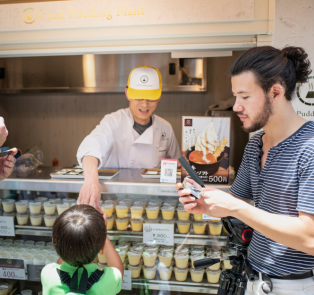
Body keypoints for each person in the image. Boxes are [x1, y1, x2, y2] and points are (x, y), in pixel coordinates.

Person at [177, 46, 314, 295]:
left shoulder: (309, 148)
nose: (236, 106)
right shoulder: (256, 144)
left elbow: (310, 238)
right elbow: (238, 201)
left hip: (297, 285)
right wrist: (207, 204)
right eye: (235, 96)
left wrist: (236, 207)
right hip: (254, 279)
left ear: (275, 92)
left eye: (244, 97)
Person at [77, 66, 181, 209]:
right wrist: (90, 179)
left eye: (150, 98)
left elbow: (178, 165)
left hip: (152, 205)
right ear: (127, 94)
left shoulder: (165, 128)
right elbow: (92, 146)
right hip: (114, 204)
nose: (145, 104)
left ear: (159, 96)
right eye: (138, 97)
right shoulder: (113, 121)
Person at [41, 205, 123, 295]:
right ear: (103, 248)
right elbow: (117, 268)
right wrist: (102, 232)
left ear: (54, 243)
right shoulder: (109, 280)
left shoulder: (48, 273)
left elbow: (61, 261)